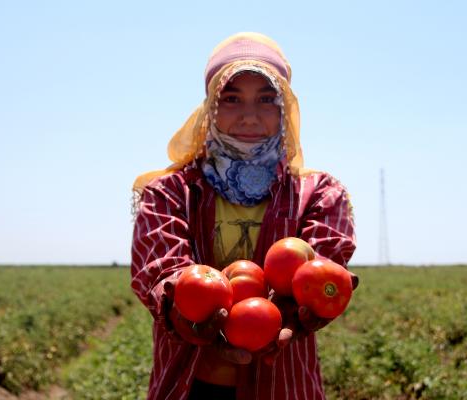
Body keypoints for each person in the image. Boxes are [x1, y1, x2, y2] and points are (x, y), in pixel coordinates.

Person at [131, 32, 358, 400]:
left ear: (285, 106)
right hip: (189, 387)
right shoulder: (168, 192)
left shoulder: (318, 193)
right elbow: (159, 271)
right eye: (232, 98)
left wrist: (310, 298)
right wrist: (186, 310)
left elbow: (322, 267)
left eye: (266, 99)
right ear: (210, 108)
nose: (249, 115)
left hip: (284, 387)